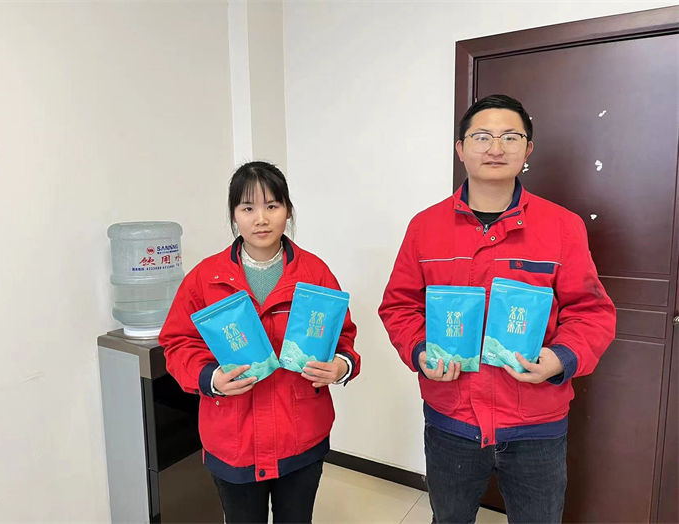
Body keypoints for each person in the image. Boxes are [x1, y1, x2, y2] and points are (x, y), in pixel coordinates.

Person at [378, 94, 616, 523]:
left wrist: (560, 359)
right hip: (451, 419)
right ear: (461, 148)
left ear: (528, 149)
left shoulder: (563, 226)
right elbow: (399, 306)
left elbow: (591, 313)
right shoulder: (425, 227)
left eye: (510, 137)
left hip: (536, 423)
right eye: (482, 136)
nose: (495, 147)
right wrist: (420, 351)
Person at [159, 161, 360, 523]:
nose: (261, 219)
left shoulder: (315, 273)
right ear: (234, 215)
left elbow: (342, 337)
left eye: (272, 205)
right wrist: (210, 378)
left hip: (301, 437)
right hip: (233, 442)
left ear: (288, 211)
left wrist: (341, 366)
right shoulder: (205, 278)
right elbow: (177, 343)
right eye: (248, 208)